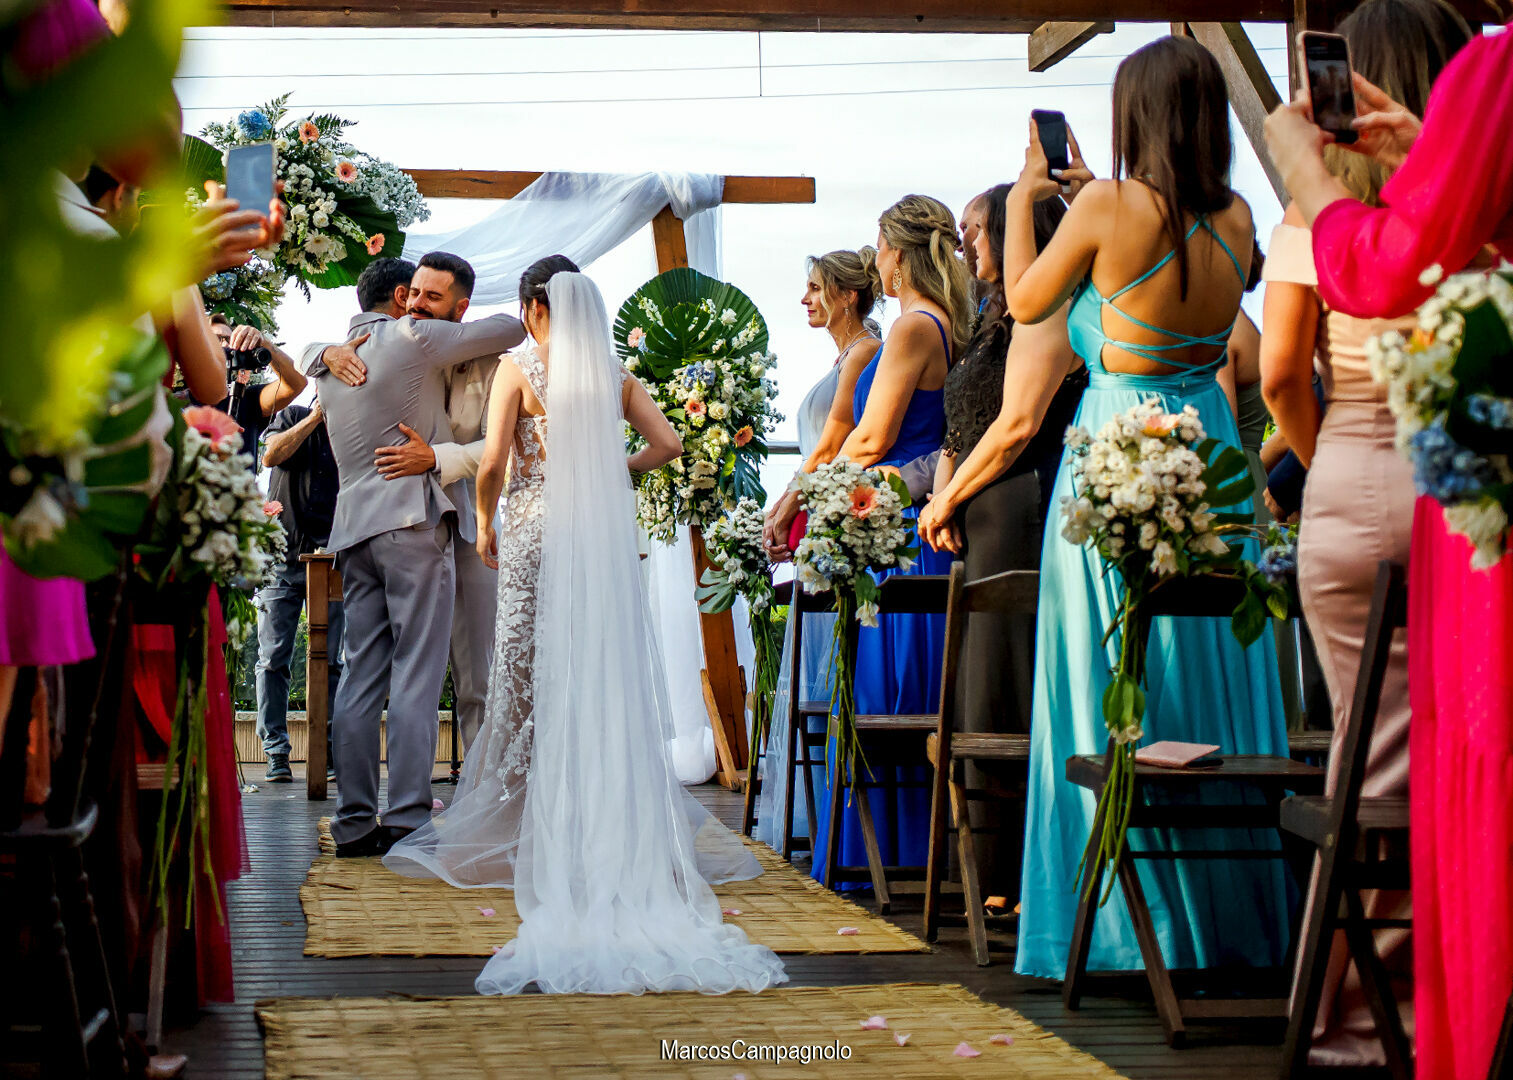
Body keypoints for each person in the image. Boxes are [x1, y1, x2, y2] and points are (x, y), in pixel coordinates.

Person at [385, 263, 786, 995]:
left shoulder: (518, 367)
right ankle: (602, 823)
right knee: (598, 671)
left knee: (524, 673)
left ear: (536, 307)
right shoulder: (614, 373)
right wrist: (608, 470)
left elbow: (494, 463)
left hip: (538, 530)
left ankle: (520, 829)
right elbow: (666, 446)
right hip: (599, 534)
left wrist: (482, 525)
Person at [1004, 36, 1291, 980]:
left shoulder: (1100, 206)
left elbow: (1022, 299)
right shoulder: (1241, 217)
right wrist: (1094, 198)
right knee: (1206, 666)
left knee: (1104, 675)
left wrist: (1022, 206)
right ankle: (1228, 922)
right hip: (1207, 448)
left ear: (1135, 117)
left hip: (1117, 447)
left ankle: (1122, 930)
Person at [1265, 20, 1513, 1080]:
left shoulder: (1493, 80)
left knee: (1387, 767)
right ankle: (1396, 1004)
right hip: (1439, 457)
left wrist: (1307, 179)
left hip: (1377, 463)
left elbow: (1286, 371)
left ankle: (1369, 1020)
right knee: (1418, 764)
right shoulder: (1453, 155)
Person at [769, 195, 970, 888]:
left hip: (891, 538)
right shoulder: (952, 323)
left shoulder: (913, 327)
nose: (875, 260)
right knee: (914, 696)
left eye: (877, 246)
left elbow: (872, 435)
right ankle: (914, 852)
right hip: (921, 528)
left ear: (896, 251)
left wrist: (820, 493)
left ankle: (875, 857)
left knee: (886, 698)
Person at [308, 254, 525, 858]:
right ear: (401, 296)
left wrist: (318, 351)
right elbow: (511, 326)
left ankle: (352, 822)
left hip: (353, 532)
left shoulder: (333, 365)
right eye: (415, 294)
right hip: (411, 521)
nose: (417, 304)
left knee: (361, 675)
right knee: (418, 674)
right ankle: (405, 817)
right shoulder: (413, 334)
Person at [915, 181, 1085, 902]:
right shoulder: (989, 320)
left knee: (1008, 683)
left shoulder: (1050, 315)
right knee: (976, 684)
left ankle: (1016, 872)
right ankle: (980, 866)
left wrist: (950, 495)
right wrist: (942, 494)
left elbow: (1016, 432)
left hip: (1021, 505)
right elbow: (962, 424)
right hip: (971, 513)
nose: (967, 246)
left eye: (978, 230)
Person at [754, 248, 882, 852]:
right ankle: (817, 810)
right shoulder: (842, 357)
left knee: (829, 661)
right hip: (814, 516)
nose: (805, 299)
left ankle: (836, 815)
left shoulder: (864, 354)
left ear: (848, 296)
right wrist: (786, 508)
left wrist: (785, 506)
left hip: (830, 519)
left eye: (814, 288)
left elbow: (835, 443)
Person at [255, 394, 344, 784]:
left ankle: (327, 751)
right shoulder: (293, 415)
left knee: (333, 663)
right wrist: (317, 417)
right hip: (282, 556)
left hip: (332, 561)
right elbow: (270, 455)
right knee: (274, 657)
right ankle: (276, 751)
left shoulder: (352, 429)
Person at [203, 314, 305, 467]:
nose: (225, 345)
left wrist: (264, 344)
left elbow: (296, 383)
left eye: (229, 341)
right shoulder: (176, 396)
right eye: (216, 339)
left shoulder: (249, 399)